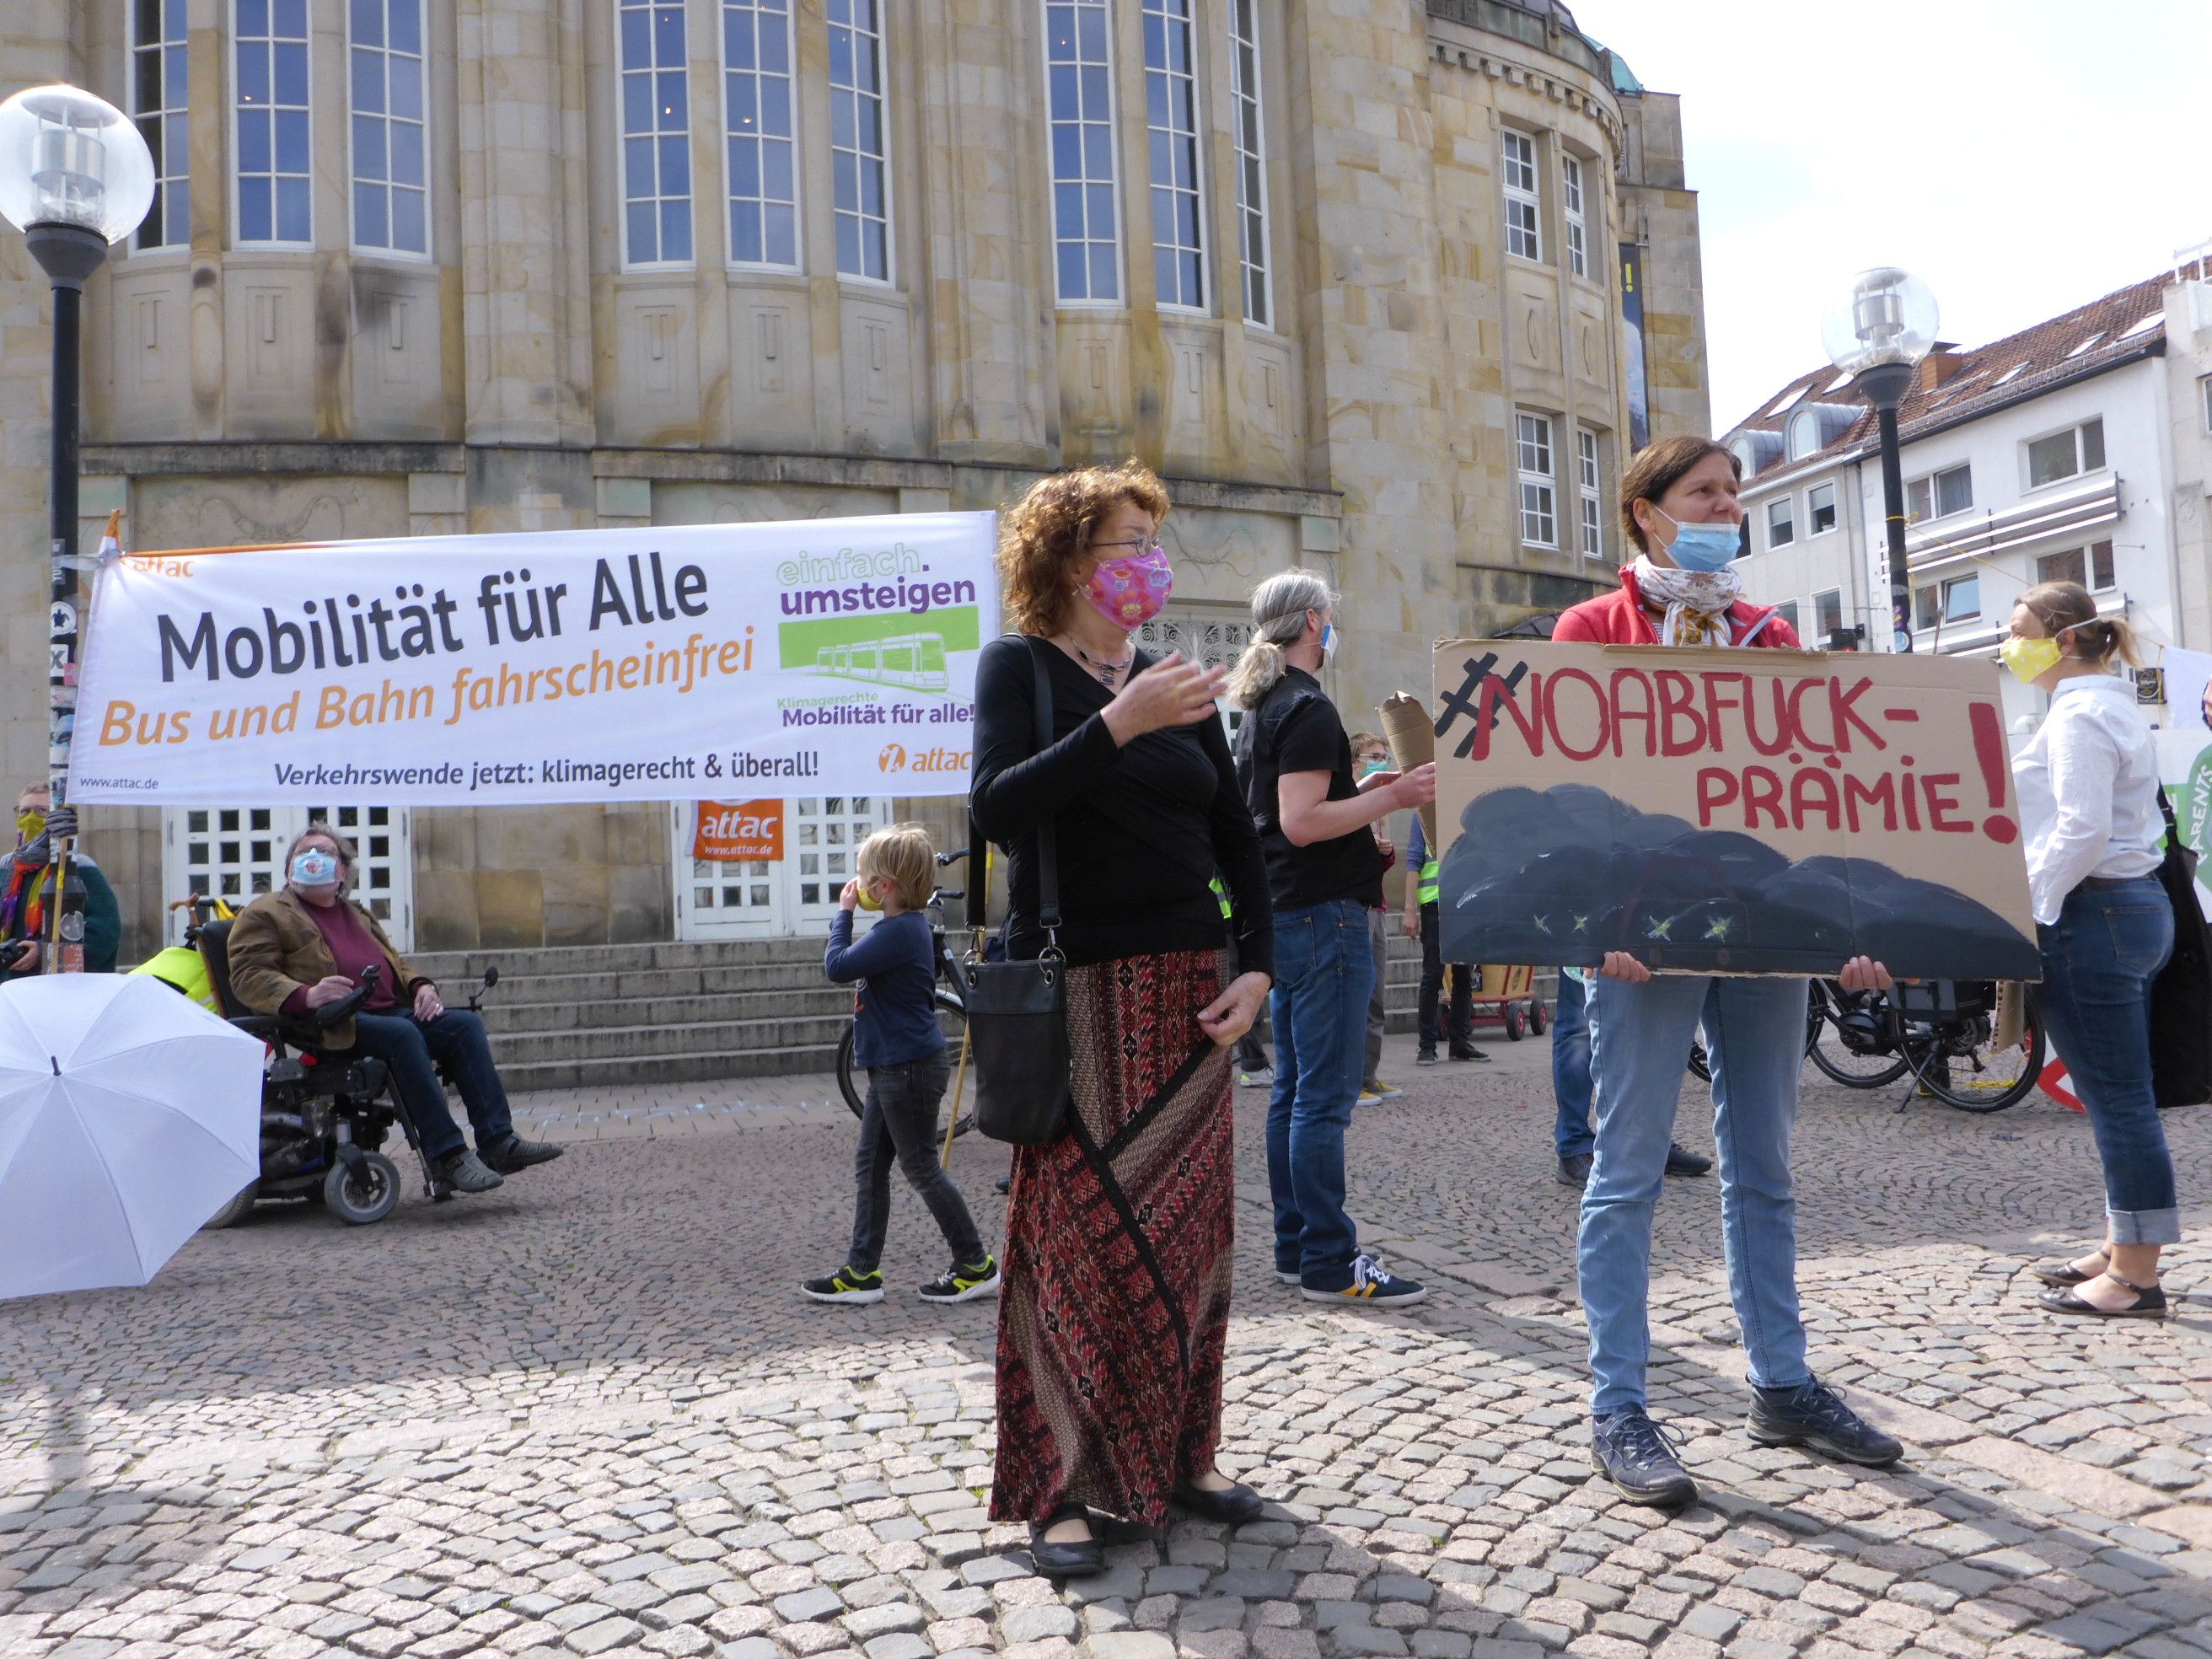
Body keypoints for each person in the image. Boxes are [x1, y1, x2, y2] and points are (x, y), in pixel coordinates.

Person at [1555, 435, 1901, 1507]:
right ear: (1646, 513)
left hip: (1763, 938)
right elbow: (1568, 795)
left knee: (1765, 1167)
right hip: (1639, 948)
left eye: (1733, 494)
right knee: (1625, 1172)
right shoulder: (1588, 631)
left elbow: (1815, 790)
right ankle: (1617, 1403)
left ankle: (1781, 1385)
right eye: (1704, 493)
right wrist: (1587, 926)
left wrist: (1843, 923)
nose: (1726, 509)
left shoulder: (1767, 634)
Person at [972, 460, 1275, 1578]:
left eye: (1154, 536)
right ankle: (1054, 1492)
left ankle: (1179, 1464)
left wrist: (1260, 968)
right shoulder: (1022, 669)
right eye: (1123, 539)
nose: (1147, 557)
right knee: (1075, 1249)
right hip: (1085, 997)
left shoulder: (1181, 682)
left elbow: (1240, 842)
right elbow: (998, 809)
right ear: (1064, 560)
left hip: (1195, 998)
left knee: (1194, 1241)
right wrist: (1118, 723)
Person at [1231, 571, 1433, 1307]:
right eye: (1333, 614)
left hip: (1290, 913)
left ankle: (1298, 1248)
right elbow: (1302, 821)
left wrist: (1364, 786)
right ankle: (1327, 1259)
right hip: (1324, 917)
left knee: (1294, 1092)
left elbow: (1299, 810)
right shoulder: (1307, 705)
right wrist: (1394, 795)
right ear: (1315, 621)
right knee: (1321, 1098)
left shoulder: (1266, 702)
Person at [2004, 584, 2177, 1318]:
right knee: (2118, 1092)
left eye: (2019, 631)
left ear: (2065, 639)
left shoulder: (2079, 713)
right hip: (2127, 908)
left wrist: (2030, 908)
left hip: (2091, 912)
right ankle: (2119, 1243)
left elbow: (2081, 829)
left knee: (2118, 1099)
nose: (2009, 646)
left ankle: (2136, 1275)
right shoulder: (2104, 705)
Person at [227, 824, 562, 1195]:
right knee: (401, 1035)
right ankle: (447, 1155)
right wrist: (307, 994)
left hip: (388, 1012)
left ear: (342, 872)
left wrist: (421, 986)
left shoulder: (357, 913)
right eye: (304, 852)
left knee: (463, 1026)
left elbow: (396, 965)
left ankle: (498, 1142)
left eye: (325, 853)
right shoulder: (266, 912)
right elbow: (248, 974)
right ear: (290, 865)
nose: (313, 859)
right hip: (332, 1024)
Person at [803, 823, 997, 1306]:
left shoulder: (899, 931)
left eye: (864, 875)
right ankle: (862, 1272)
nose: (859, 883)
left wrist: (843, 915)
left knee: (921, 1168)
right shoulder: (903, 928)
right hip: (894, 1066)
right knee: (871, 1166)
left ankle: (976, 1264)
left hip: (906, 1067)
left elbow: (837, 966)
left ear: (883, 887)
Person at [1551, 967, 1711, 1189]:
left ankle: (1648, 1142)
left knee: (1653, 1023)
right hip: (1590, 938)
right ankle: (1573, 1144)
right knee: (1579, 1026)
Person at [0, 785, 121, 980]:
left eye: (42, 811)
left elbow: (104, 932)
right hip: (9, 988)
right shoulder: (6, 868)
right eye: (25, 811)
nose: (31, 818)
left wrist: (43, 952)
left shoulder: (77, 866)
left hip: (59, 983)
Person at [1399, 808, 1483, 1065]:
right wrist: (1410, 909)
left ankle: (1459, 1043)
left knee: (1464, 977)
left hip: (1465, 901)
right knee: (1433, 975)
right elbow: (1414, 860)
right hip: (1434, 904)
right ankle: (1427, 1045)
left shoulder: (1467, 808)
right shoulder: (1423, 813)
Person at [1349, 732, 1403, 1103]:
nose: (1382, 761)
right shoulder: (1348, 799)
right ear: (1355, 761)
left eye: (1385, 755)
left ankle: (1368, 1075)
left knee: (1376, 998)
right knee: (1357, 997)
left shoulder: (1377, 807)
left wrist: (1384, 853)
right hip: (1355, 908)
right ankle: (1351, 1082)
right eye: (1374, 755)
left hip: (1377, 906)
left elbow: (1379, 866)